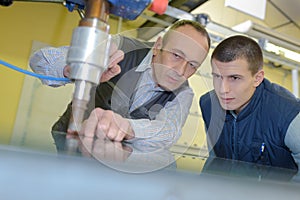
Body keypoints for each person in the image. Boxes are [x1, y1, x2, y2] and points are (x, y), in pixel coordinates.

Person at [30, 19, 210, 147]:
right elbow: (41, 60)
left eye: (193, 65)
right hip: (68, 145)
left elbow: (168, 132)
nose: (181, 71)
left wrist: (127, 128)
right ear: (158, 46)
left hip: (113, 163)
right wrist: (76, 68)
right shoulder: (120, 48)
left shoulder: (183, 93)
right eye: (176, 56)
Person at [199, 35, 300, 170]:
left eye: (234, 78)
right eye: (217, 76)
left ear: (257, 78)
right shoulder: (209, 105)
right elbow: (215, 160)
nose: (223, 90)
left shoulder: (290, 115)